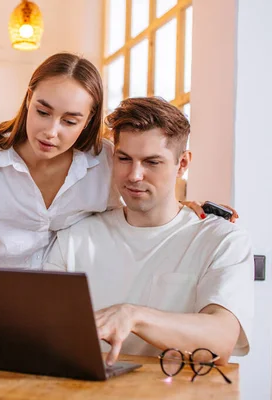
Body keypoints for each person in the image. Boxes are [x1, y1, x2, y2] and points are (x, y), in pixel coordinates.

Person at [0, 52, 234, 269]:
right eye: (43, 112)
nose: (50, 132)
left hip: (70, 306)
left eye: (69, 121)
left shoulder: (104, 161)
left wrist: (183, 211)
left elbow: (134, 210)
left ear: (88, 119)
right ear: (29, 99)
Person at [44, 97, 254, 367]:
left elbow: (221, 340)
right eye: (124, 158)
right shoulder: (75, 236)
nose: (134, 175)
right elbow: (43, 328)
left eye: (152, 162)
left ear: (182, 164)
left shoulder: (222, 240)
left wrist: (133, 316)